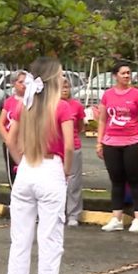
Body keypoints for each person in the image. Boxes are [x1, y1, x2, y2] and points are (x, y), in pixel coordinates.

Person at [3, 59, 74, 274]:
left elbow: (10, 140)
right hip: (50, 169)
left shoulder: (25, 105)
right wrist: (66, 172)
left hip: (26, 170)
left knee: (20, 237)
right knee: (50, 237)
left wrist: (20, 161)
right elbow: (68, 146)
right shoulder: (62, 108)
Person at [96, 61, 138, 233]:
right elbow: (103, 119)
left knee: (136, 180)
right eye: (123, 73)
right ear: (115, 76)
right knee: (116, 181)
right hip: (111, 142)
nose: (127, 76)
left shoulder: (137, 95)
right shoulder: (108, 95)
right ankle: (117, 218)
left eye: (128, 73)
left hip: (132, 142)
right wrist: (100, 142)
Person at [60, 77, 85, 226]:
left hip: (73, 146)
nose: (64, 89)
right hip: (56, 149)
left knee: (73, 182)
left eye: (66, 86)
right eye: (61, 87)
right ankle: (58, 211)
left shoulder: (76, 106)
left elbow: (80, 126)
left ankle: (73, 214)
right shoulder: (52, 105)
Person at [0, 70, 26, 187]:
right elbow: (1, 124)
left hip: (26, 144)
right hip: (11, 143)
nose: (24, 85)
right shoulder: (9, 101)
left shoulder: (32, 101)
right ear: (14, 84)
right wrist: (9, 140)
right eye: (21, 82)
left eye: (26, 82)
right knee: (14, 174)